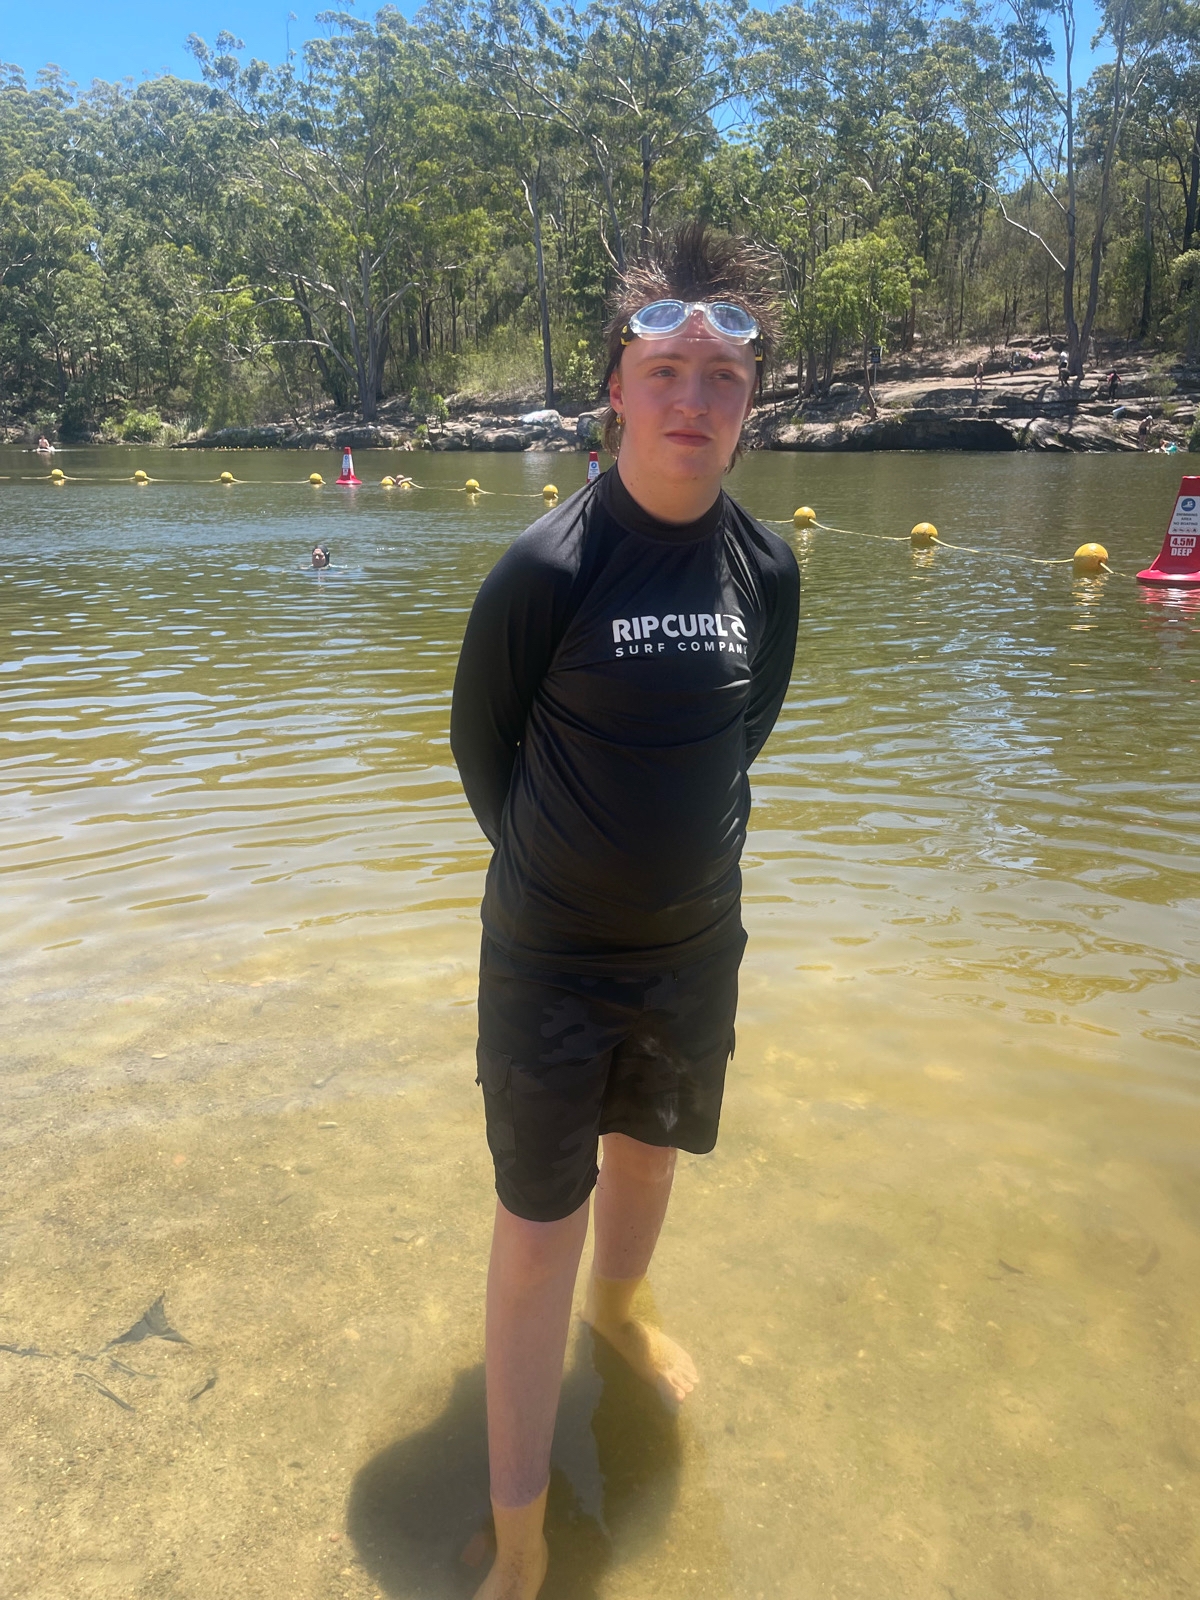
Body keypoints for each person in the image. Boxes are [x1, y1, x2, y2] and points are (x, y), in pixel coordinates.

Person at [450, 223, 799, 1600]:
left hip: (693, 954)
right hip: (549, 961)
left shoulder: (766, 571)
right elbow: (485, 755)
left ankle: (624, 1312)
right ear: (616, 390)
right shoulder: (546, 569)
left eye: (724, 377)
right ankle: (523, 1532)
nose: (693, 399)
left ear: (751, 403)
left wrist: (663, 884)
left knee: (649, 1163)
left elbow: (742, 737)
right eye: (666, 371)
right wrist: (570, 879)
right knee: (538, 1229)